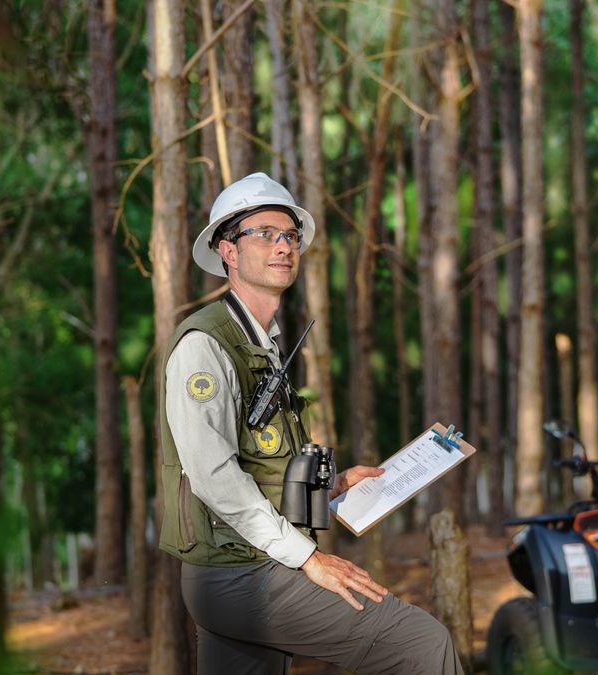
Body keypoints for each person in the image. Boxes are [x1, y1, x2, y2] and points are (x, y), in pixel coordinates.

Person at [158, 172, 464, 674]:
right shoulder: (205, 345)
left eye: (290, 236)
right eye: (265, 234)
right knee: (422, 644)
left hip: (244, 567)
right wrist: (308, 558)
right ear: (228, 251)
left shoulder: (262, 341)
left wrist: (337, 488)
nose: (283, 246)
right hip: (240, 573)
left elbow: (259, 466)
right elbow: (214, 476)